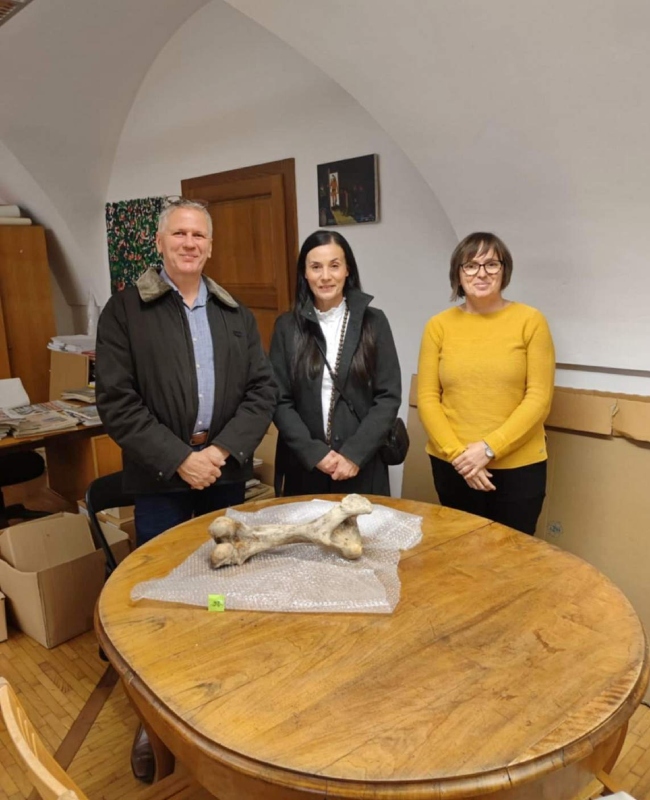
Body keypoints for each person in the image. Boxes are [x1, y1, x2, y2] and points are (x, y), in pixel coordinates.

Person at [96, 197, 276, 546]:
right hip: (159, 477)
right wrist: (180, 459)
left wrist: (219, 452)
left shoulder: (235, 313)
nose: (189, 243)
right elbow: (116, 401)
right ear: (159, 242)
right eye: (179, 233)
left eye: (199, 235)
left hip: (223, 472)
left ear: (210, 247)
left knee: (227, 566)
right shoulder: (124, 311)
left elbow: (262, 391)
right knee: (165, 569)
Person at [417, 232, 555, 535]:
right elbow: (427, 398)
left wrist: (490, 448)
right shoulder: (438, 326)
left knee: (513, 554)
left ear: (504, 271)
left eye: (491, 264)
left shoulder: (531, 321)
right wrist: (459, 456)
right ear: (458, 273)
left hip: (519, 468)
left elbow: (539, 398)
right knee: (460, 552)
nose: (481, 273)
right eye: (470, 265)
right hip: (454, 465)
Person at [270, 229, 401, 497]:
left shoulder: (374, 322)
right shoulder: (286, 327)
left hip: (362, 466)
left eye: (334, 266)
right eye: (316, 267)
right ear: (305, 273)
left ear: (347, 270)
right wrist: (314, 453)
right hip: (305, 468)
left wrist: (354, 454)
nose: (325, 276)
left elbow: (388, 397)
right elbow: (279, 399)